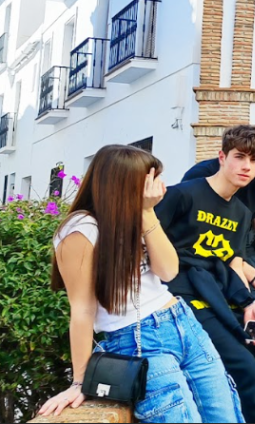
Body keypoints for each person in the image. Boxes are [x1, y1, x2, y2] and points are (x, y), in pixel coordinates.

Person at [40, 145, 242, 423]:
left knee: (225, 416)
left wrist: (148, 214)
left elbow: (169, 271)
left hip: (184, 323)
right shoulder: (82, 229)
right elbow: (82, 310)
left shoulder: (137, 216)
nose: (159, 189)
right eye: (150, 180)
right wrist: (79, 382)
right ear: (124, 184)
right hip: (139, 339)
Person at [156, 126, 255, 423]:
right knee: (244, 366)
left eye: (254, 161)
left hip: (223, 295)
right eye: (240, 157)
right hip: (181, 299)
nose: (247, 166)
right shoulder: (182, 195)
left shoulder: (242, 212)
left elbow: (233, 262)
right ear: (222, 157)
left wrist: (248, 304)